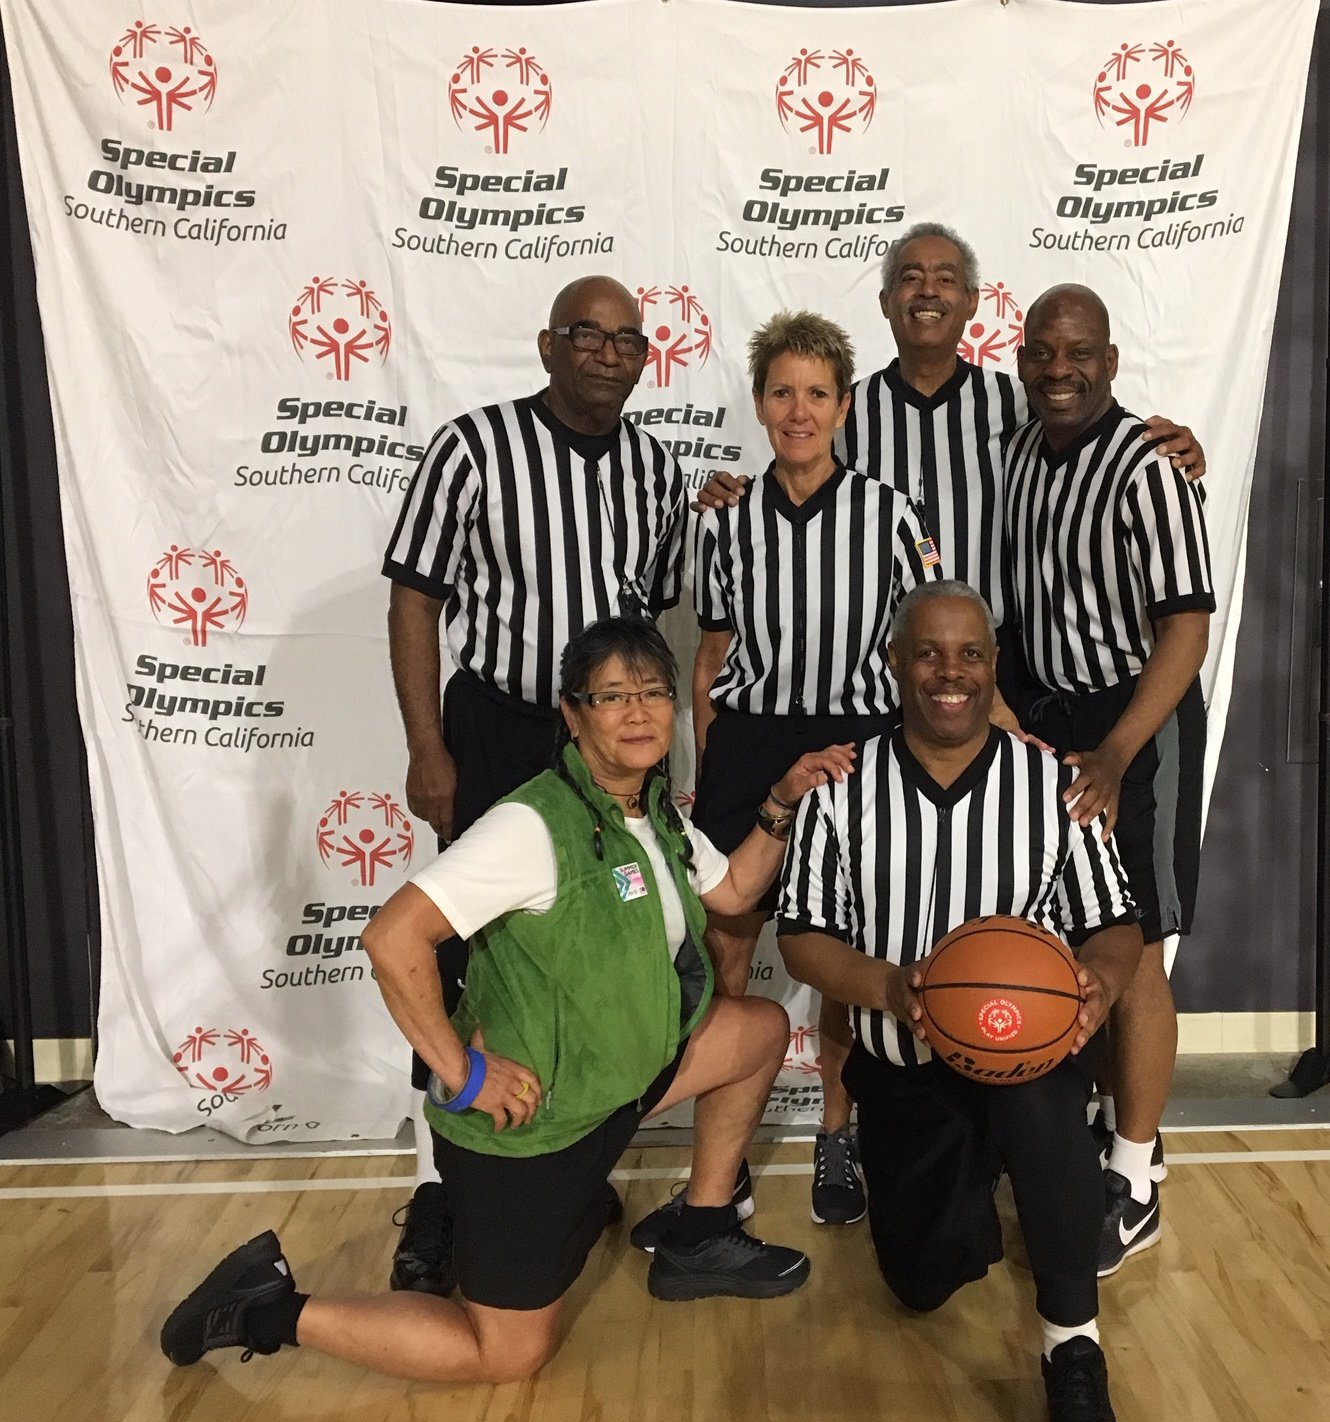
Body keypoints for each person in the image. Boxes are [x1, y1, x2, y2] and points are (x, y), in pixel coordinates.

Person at [160, 617, 856, 1383]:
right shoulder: (532, 823)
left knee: (756, 1029)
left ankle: (701, 1230)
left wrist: (783, 799)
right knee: (505, 1355)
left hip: (615, 1087)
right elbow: (393, 939)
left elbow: (733, 891)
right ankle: (264, 1305)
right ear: (572, 713)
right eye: (613, 696)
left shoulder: (653, 811)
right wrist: (460, 1073)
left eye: (654, 692)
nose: (639, 712)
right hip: (533, 1124)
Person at [694, 222, 1204, 1224]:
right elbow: (713, 643)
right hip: (859, 709)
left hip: (980, 701)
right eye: (906, 279)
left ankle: (1120, 1156)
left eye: (944, 279)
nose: (925, 293)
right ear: (883, 302)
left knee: (1110, 934)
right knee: (769, 934)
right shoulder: (774, 481)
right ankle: (771, 1153)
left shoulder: (1012, 410)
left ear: (975, 304)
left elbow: (1153, 588)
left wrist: (1172, 436)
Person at [777, 581, 1142, 1422]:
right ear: (896, 664)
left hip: (1031, 1051)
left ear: (993, 666)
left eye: (971, 653)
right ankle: (980, 1181)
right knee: (923, 1280)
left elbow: (1117, 926)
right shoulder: (840, 789)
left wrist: (1095, 980)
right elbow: (800, 939)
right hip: (904, 1070)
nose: (952, 673)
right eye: (930, 653)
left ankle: (1074, 1351)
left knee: (1041, 1104)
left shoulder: (1056, 784)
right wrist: (894, 989)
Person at [381, 275, 688, 1293]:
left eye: (625, 340)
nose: (605, 354)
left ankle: (563, 1155)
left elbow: (663, 608)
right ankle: (441, 1186)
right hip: (507, 725)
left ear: (645, 358)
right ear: (549, 345)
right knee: (469, 956)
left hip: (609, 734)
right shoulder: (472, 447)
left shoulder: (656, 466)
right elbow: (415, 600)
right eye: (584, 336)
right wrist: (430, 748)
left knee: (602, 956)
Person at [632, 310, 937, 1245]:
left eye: (816, 394)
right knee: (729, 938)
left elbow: (922, 643)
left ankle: (835, 1138)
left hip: (855, 742)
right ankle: (721, 1163)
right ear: (761, 405)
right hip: (755, 742)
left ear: (843, 406)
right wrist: (714, 751)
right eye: (781, 393)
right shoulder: (727, 517)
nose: (798, 411)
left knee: (842, 951)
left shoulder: (888, 512)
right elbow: (714, 649)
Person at [1005, 284, 1213, 1276]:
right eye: (1041, 350)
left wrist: (1119, 753)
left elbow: (1184, 630)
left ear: (1110, 360)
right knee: (1071, 932)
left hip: (1136, 721)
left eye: (1076, 350)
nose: (1057, 367)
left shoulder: (1147, 470)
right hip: (1051, 719)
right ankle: (1106, 1129)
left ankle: (1134, 1175)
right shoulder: (1018, 455)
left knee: (1136, 949)